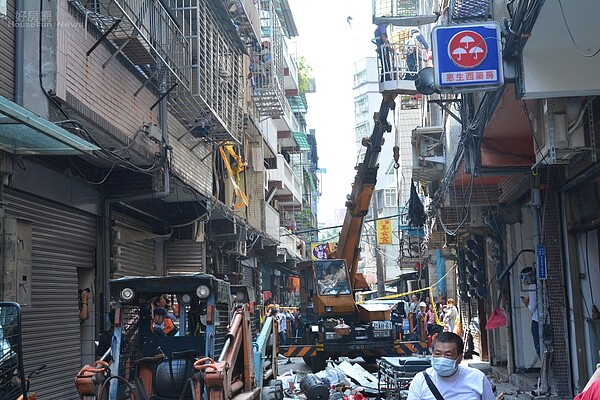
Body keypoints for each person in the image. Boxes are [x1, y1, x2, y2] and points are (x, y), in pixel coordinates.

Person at [407, 332, 495, 400]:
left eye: (448, 355)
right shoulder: (420, 380)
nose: (442, 359)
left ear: (459, 358)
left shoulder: (478, 378)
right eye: (437, 354)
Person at [520, 267, 540, 357]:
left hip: (536, 320)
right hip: (542, 318)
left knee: (538, 346)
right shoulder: (540, 284)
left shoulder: (532, 286)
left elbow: (532, 308)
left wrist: (526, 303)